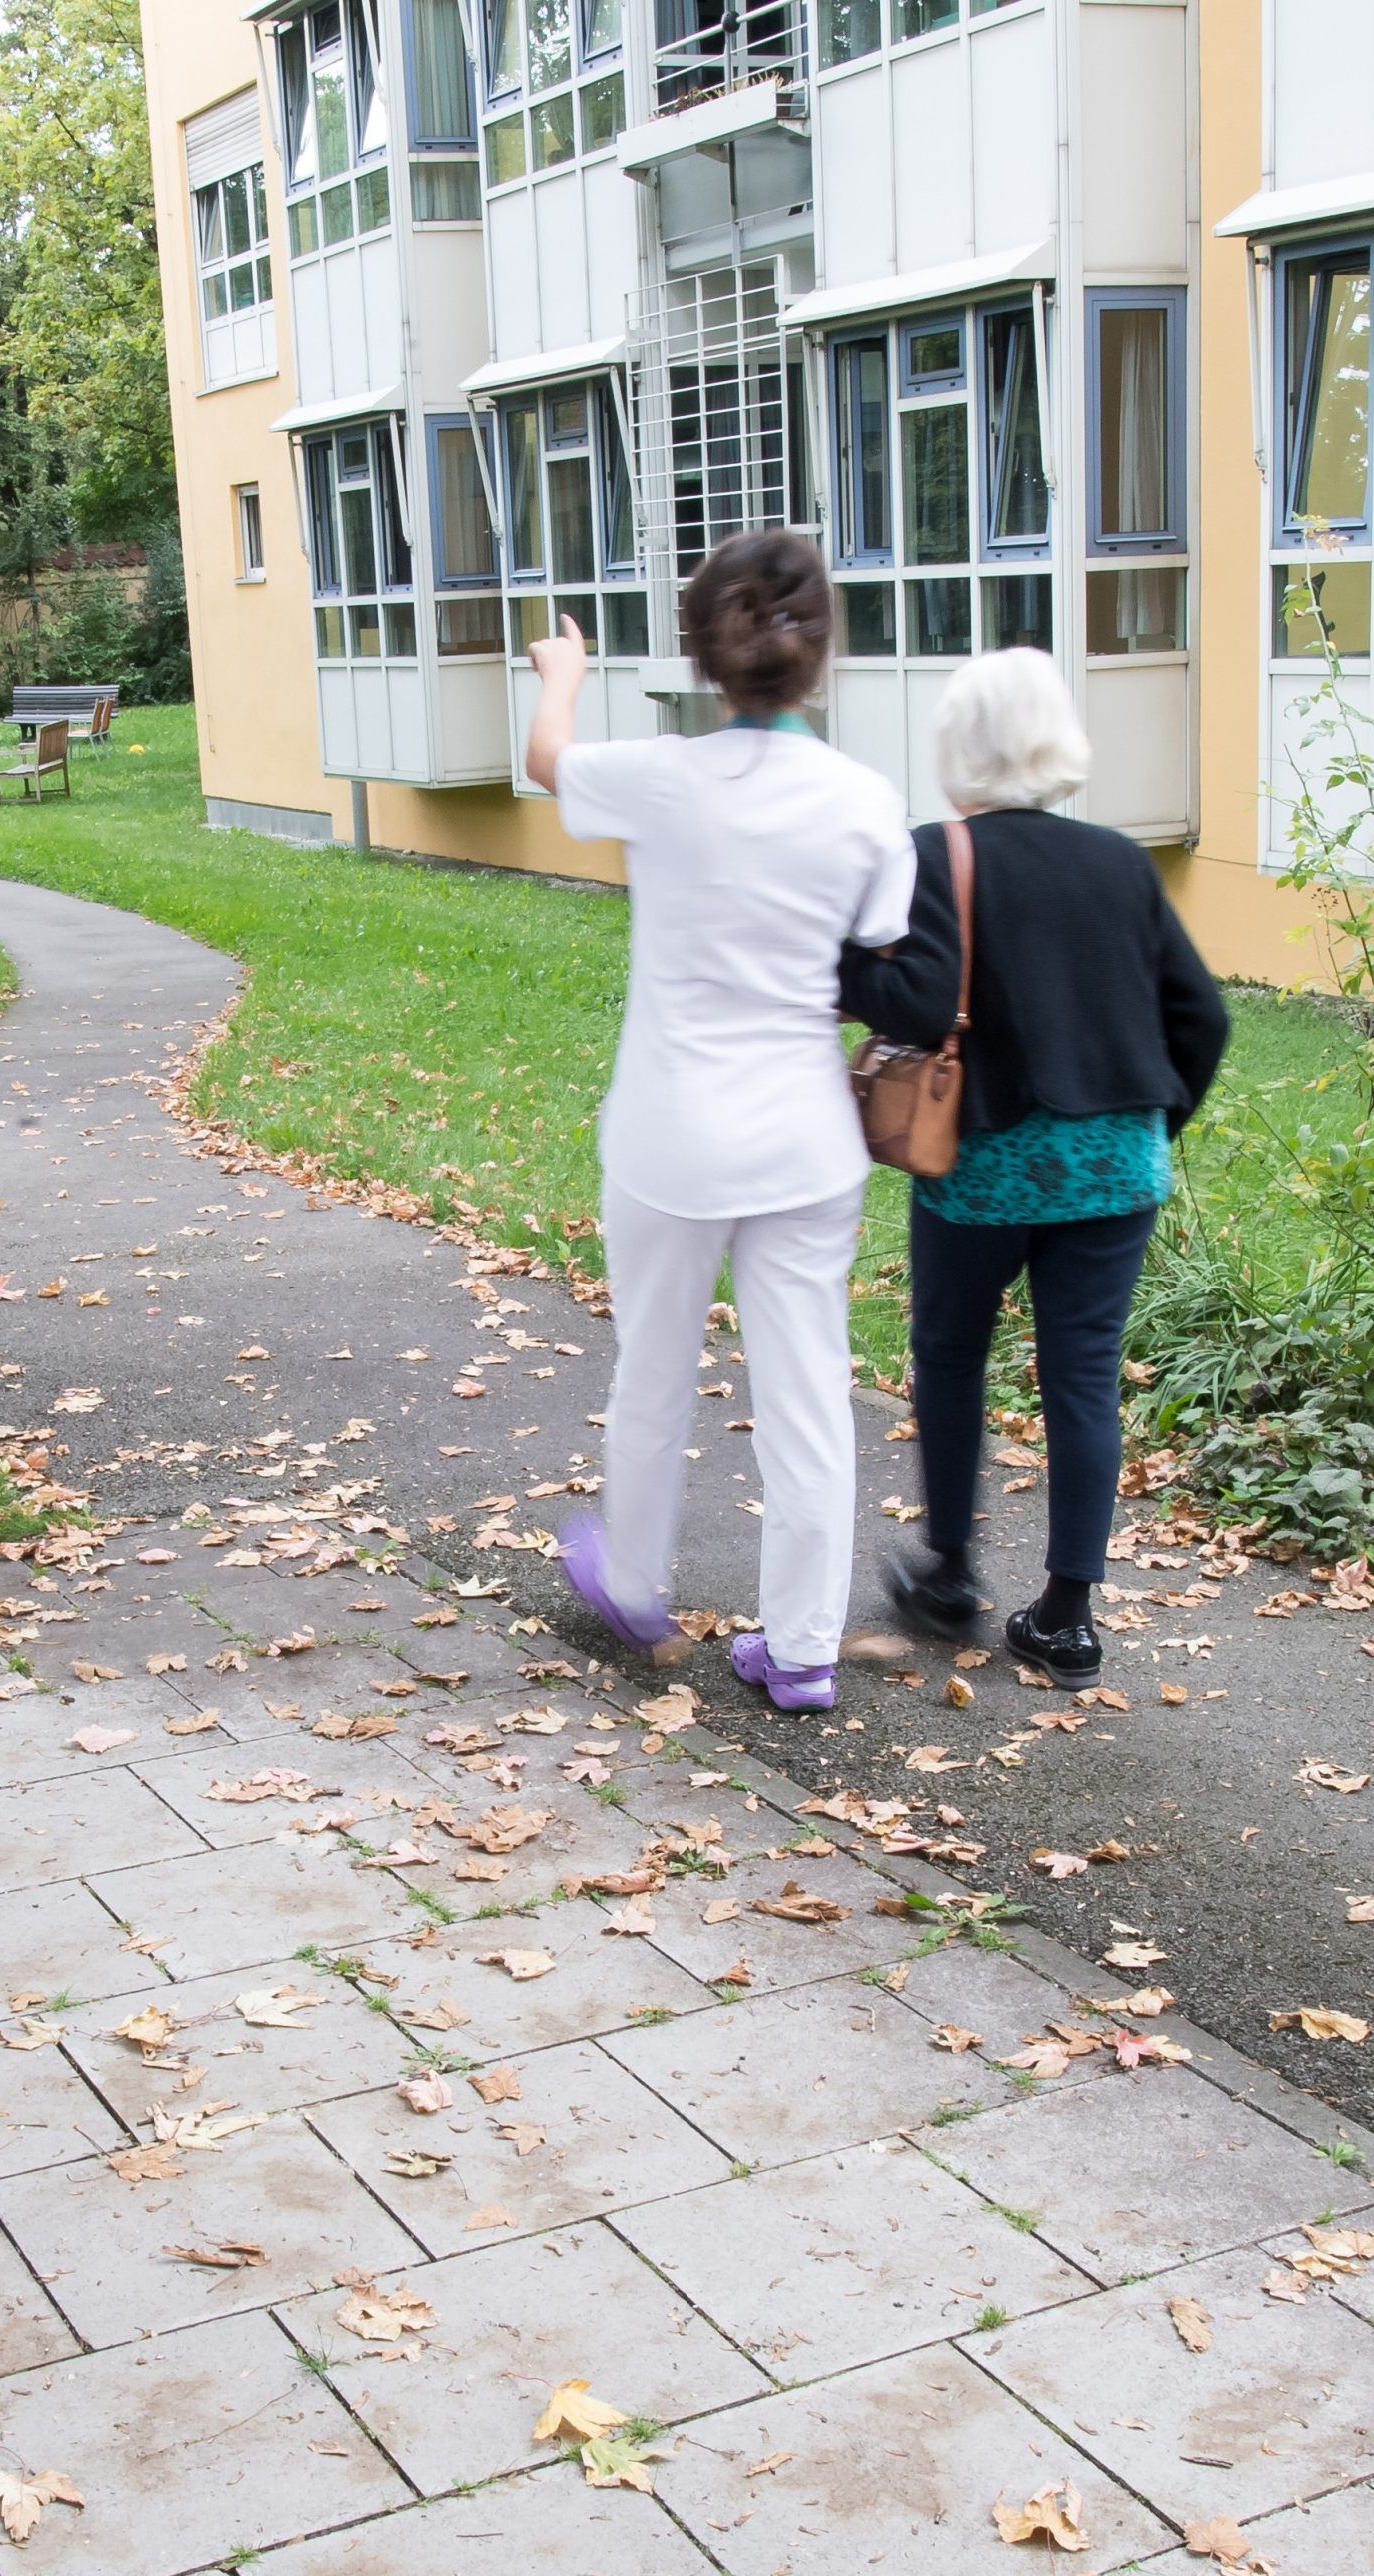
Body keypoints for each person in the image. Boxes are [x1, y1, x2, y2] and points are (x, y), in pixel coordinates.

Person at [532, 532, 916, 1713]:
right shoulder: (866, 801)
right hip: (805, 1139)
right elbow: (881, 948)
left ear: (704, 656)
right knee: (809, 1392)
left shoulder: (662, 776)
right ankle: (800, 1652)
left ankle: (636, 1584)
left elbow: (547, 760)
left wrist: (563, 670)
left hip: (669, 1135)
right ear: (818, 656)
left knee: (653, 1366)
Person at [841, 647, 1229, 1692]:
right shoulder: (1120, 861)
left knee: (953, 1352)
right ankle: (1066, 1618)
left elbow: (917, 1006)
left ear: (959, 748)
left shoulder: (940, 854)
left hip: (986, 1164)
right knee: (1083, 1376)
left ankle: (953, 1573)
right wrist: (1154, 1122)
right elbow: (1204, 1015)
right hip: (1116, 1161)